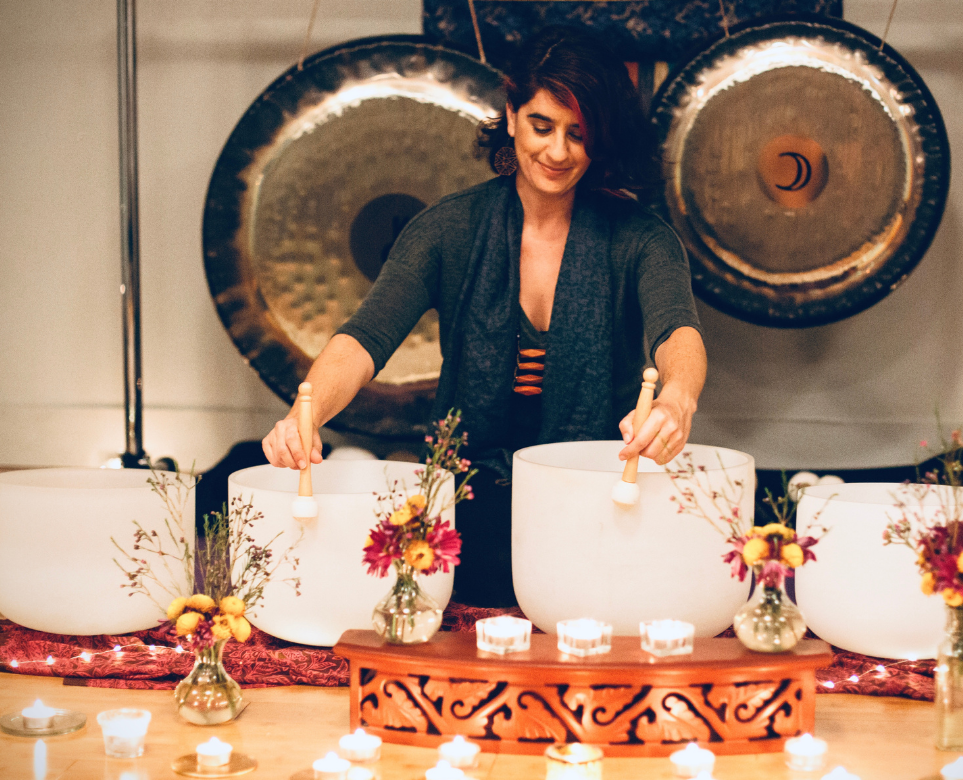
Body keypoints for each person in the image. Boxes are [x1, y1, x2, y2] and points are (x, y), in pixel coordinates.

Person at [262, 26, 706, 606]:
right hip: (467, 506)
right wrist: (307, 411)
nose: (557, 151)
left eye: (579, 134)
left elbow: (678, 332)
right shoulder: (449, 228)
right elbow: (365, 339)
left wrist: (677, 400)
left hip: (598, 498)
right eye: (542, 125)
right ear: (512, 113)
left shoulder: (641, 239)